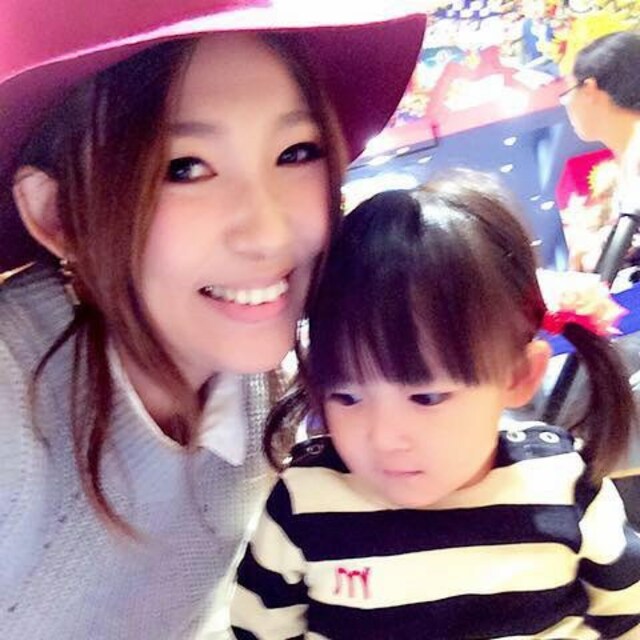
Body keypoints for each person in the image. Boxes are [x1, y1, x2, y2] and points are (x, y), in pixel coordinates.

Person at [0, 2, 427, 638]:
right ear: (60, 214)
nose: (268, 232)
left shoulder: (265, 389)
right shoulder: (13, 401)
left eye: (297, 151)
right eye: (185, 168)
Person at [230, 171, 640, 639]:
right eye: (346, 396)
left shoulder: (562, 480)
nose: (384, 437)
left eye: (426, 397)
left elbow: (626, 612)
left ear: (518, 376)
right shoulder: (305, 503)